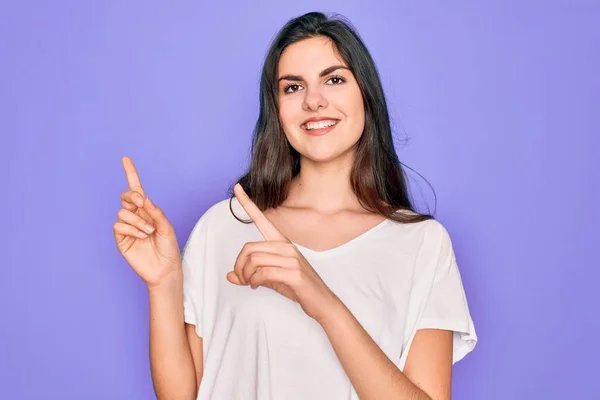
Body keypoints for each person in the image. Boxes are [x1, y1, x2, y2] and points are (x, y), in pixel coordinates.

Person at [113, 11, 477, 400]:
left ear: (366, 96)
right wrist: (165, 283)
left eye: (334, 79)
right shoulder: (224, 227)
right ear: (277, 110)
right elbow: (179, 396)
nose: (313, 101)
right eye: (293, 87)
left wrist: (320, 299)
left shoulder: (422, 244)